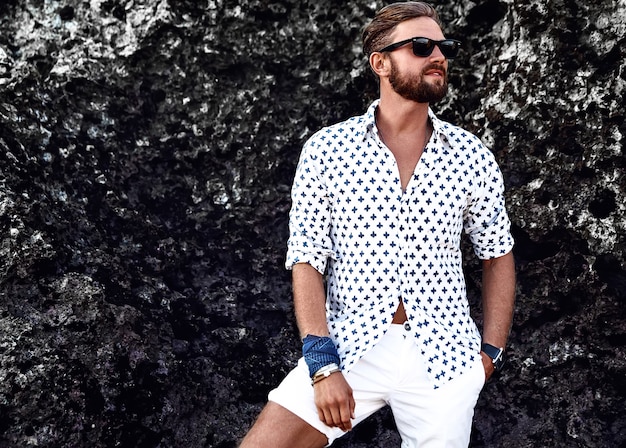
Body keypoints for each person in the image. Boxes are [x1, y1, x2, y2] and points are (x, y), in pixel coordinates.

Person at [239, 2, 516, 447]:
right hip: (350, 347)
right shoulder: (328, 150)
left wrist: (488, 357)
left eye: (443, 47)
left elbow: (497, 254)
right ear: (380, 62)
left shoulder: (471, 155)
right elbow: (308, 258)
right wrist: (322, 363)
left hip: (446, 359)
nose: (438, 56)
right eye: (421, 46)